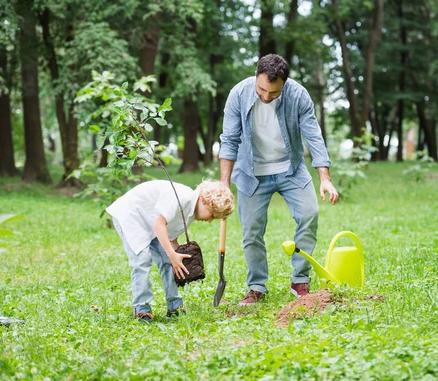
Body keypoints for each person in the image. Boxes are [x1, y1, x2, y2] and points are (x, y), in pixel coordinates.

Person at [219, 54, 339, 306]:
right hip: (252, 174)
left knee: (309, 214)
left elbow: (313, 136)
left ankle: (300, 279)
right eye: (262, 89)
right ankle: (256, 287)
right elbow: (229, 140)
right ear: (256, 76)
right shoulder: (238, 94)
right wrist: (224, 185)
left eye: (273, 92)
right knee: (251, 231)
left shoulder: (298, 95)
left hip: (291, 169)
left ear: (284, 83)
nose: (265, 96)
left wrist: (324, 178)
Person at [106, 179, 234, 322]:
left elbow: (170, 237)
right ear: (205, 201)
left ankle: (175, 305)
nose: (210, 220)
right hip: (132, 215)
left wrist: (176, 257)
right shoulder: (181, 197)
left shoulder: (191, 214)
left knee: (169, 261)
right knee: (141, 261)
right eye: (212, 215)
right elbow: (159, 225)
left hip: (152, 221)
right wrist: (172, 254)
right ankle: (142, 309)